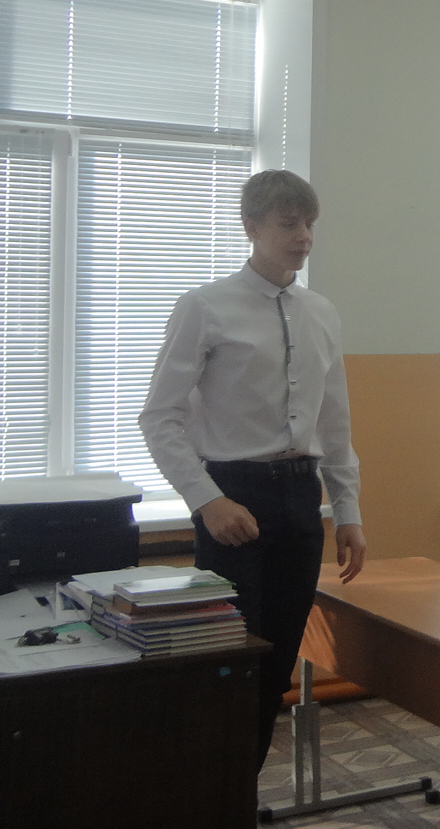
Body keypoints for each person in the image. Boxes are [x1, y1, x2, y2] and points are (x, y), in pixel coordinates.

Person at [140, 169, 368, 772]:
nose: (304, 236)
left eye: (309, 224)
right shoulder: (204, 307)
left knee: (276, 664)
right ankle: (212, 791)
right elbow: (158, 417)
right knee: (228, 662)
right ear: (251, 227)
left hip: (300, 498)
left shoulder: (322, 312)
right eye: (289, 224)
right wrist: (206, 499)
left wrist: (348, 511)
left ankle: (241, 787)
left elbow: (335, 422)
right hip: (233, 498)